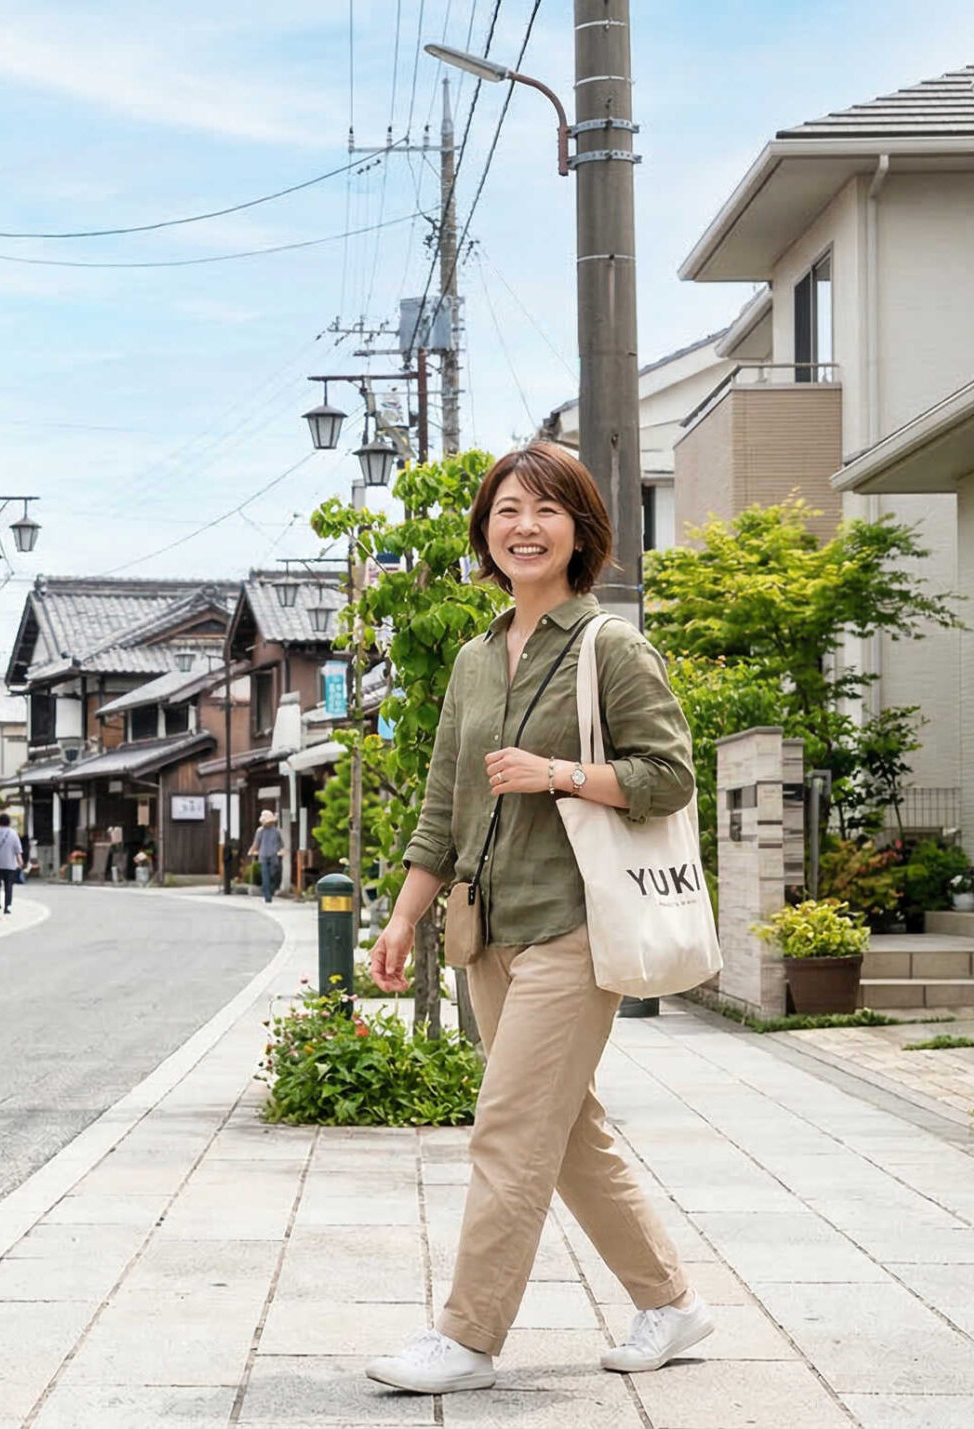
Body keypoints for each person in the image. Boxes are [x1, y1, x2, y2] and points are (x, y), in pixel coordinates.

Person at [363, 442, 712, 1395]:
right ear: (485, 529)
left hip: (574, 926)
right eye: (507, 508)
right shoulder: (476, 658)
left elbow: (670, 774)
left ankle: (468, 1337)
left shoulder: (611, 647)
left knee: (511, 1128)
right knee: (564, 1130)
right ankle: (671, 1302)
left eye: (547, 509)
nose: (524, 525)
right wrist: (403, 921)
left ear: (581, 530)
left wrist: (560, 773)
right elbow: (443, 801)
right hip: (486, 930)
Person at [0, 814, 26, 914]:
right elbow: (18, 849)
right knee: (9, 886)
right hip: (10, 864)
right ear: (9, 822)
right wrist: (20, 861)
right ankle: (8, 907)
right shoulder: (13, 833)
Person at [252, 809, 282, 902]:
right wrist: (253, 850)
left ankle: (271, 891)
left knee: (273, 875)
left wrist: (280, 850)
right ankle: (267, 896)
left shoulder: (276, 831)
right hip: (263, 856)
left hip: (273, 856)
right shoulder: (260, 831)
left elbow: (280, 843)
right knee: (265, 877)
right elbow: (256, 843)